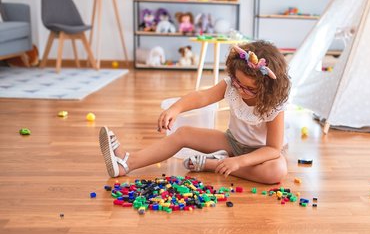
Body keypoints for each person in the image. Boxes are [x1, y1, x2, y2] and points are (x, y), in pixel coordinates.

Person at [99, 40, 290, 184]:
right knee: (183, 133)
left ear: (266, 88)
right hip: (232, 142)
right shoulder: (232, 86)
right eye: (238, 82)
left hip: (260, 153)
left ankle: (214, 164)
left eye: (249, 88)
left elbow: (273, 149)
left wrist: (240, 162)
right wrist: (175, 108)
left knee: (277, 171)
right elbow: (201, 97)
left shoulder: (274, 104)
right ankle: (127, 163)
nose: (240, 90)